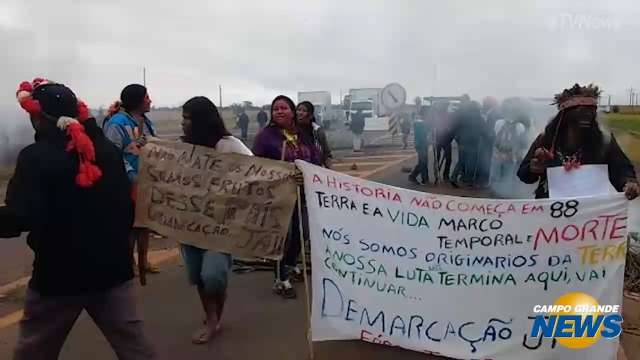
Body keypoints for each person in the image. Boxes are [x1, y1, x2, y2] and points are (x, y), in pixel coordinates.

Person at [0, 78, 155, 360]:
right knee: (135, 349)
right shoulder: (106, 150)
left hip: (58, 278)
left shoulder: (35, 158)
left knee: (34, 352)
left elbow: (19, 216)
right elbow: (124, 204)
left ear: (38, 118)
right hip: (113, 270)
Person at [179, 96, 252, 344]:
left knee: (213, 276)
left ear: (201, 121)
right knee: (199, 276)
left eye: (187, 119)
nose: (182, 124)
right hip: (189, 223)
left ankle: (213, 320)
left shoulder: (229, 145)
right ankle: (212, 317)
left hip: (219, 226)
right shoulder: (182, 148)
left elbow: (260, 170)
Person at [518, 83, 639, 200]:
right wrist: (533, 168)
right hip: (551, 211)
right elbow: (524, 174)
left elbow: (622, 170)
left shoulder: (604, 140)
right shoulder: (546, 139)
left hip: (590, 213)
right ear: (564, 115)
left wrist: (628, 183)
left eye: (590, 110)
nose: (586, 114)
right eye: (580, 110)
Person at [253, 95, 322, 299]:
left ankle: (291, 264)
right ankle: (280, 279)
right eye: (276, 109)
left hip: (303, 193)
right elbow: (256, 165)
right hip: (279, 196)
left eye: (284, 108)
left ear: (292, 111)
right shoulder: (265, 137)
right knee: (284, 235)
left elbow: (315, 157)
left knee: (304, 231)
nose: (279, 111)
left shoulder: (302, 134)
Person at [104, 84, 160, 276]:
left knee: (144, 224)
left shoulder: (147, 123)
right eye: (147, 97)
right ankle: (128, 263)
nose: (150, 100)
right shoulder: (117, 123)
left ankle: (144, 261)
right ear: (137, 100)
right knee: (129, 225)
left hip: (146, 180)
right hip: (126, 183)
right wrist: (129, 175)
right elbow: (112, 154)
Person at [493, 98, 527, 187]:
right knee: (507, 176)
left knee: (496, 175)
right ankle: (504, 192)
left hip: (498, 153)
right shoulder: (520, 126)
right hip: (511, 155)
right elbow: (522, 143)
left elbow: (495, 137)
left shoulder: (498, 123)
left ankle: (495, 192)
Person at [297, 101, 333, 168]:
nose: (300, 113)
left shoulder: (317, 131)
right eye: (298, 110)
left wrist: (329, 170)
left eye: (304, 110)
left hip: (315, 169)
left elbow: (326, 154)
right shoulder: (290, 131)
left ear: (310, 115)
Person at [477, 97, 501, 187]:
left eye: (486, 102)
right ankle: (483, 179)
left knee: (488, 160)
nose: (484, 104)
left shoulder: (495, 113)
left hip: (490, 139)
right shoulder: (488, 112)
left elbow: (492, 127)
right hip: (486, 138)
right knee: (484, 159)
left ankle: (486, 180)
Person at [408, 112, 430, 185]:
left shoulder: (421, 123)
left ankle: (413, 176)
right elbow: (422, 135)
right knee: (423, 162)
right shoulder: (419, 123)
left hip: (422, 144)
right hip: (421, 145)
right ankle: (425, 180)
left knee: (422, 162)